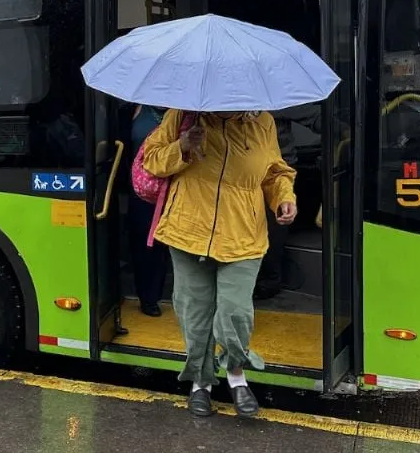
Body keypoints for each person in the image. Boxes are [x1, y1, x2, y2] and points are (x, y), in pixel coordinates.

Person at [141, 110, 297, 418]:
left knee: (235, 312)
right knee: (195, 314)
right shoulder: (184, 113)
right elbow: (152, 160)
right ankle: (201, 383)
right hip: (187, 233)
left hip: (244, 236)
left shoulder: (261, 121)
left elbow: (275, 173)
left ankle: (236, 375)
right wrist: (182, 146)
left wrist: (283, 197)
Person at [127, 104, 169, 317]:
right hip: (141, 188)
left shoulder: (184, 112)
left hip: (175, 188)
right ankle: (148, 297)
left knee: (165, 246)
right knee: (144, 244)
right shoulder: (137, 107)